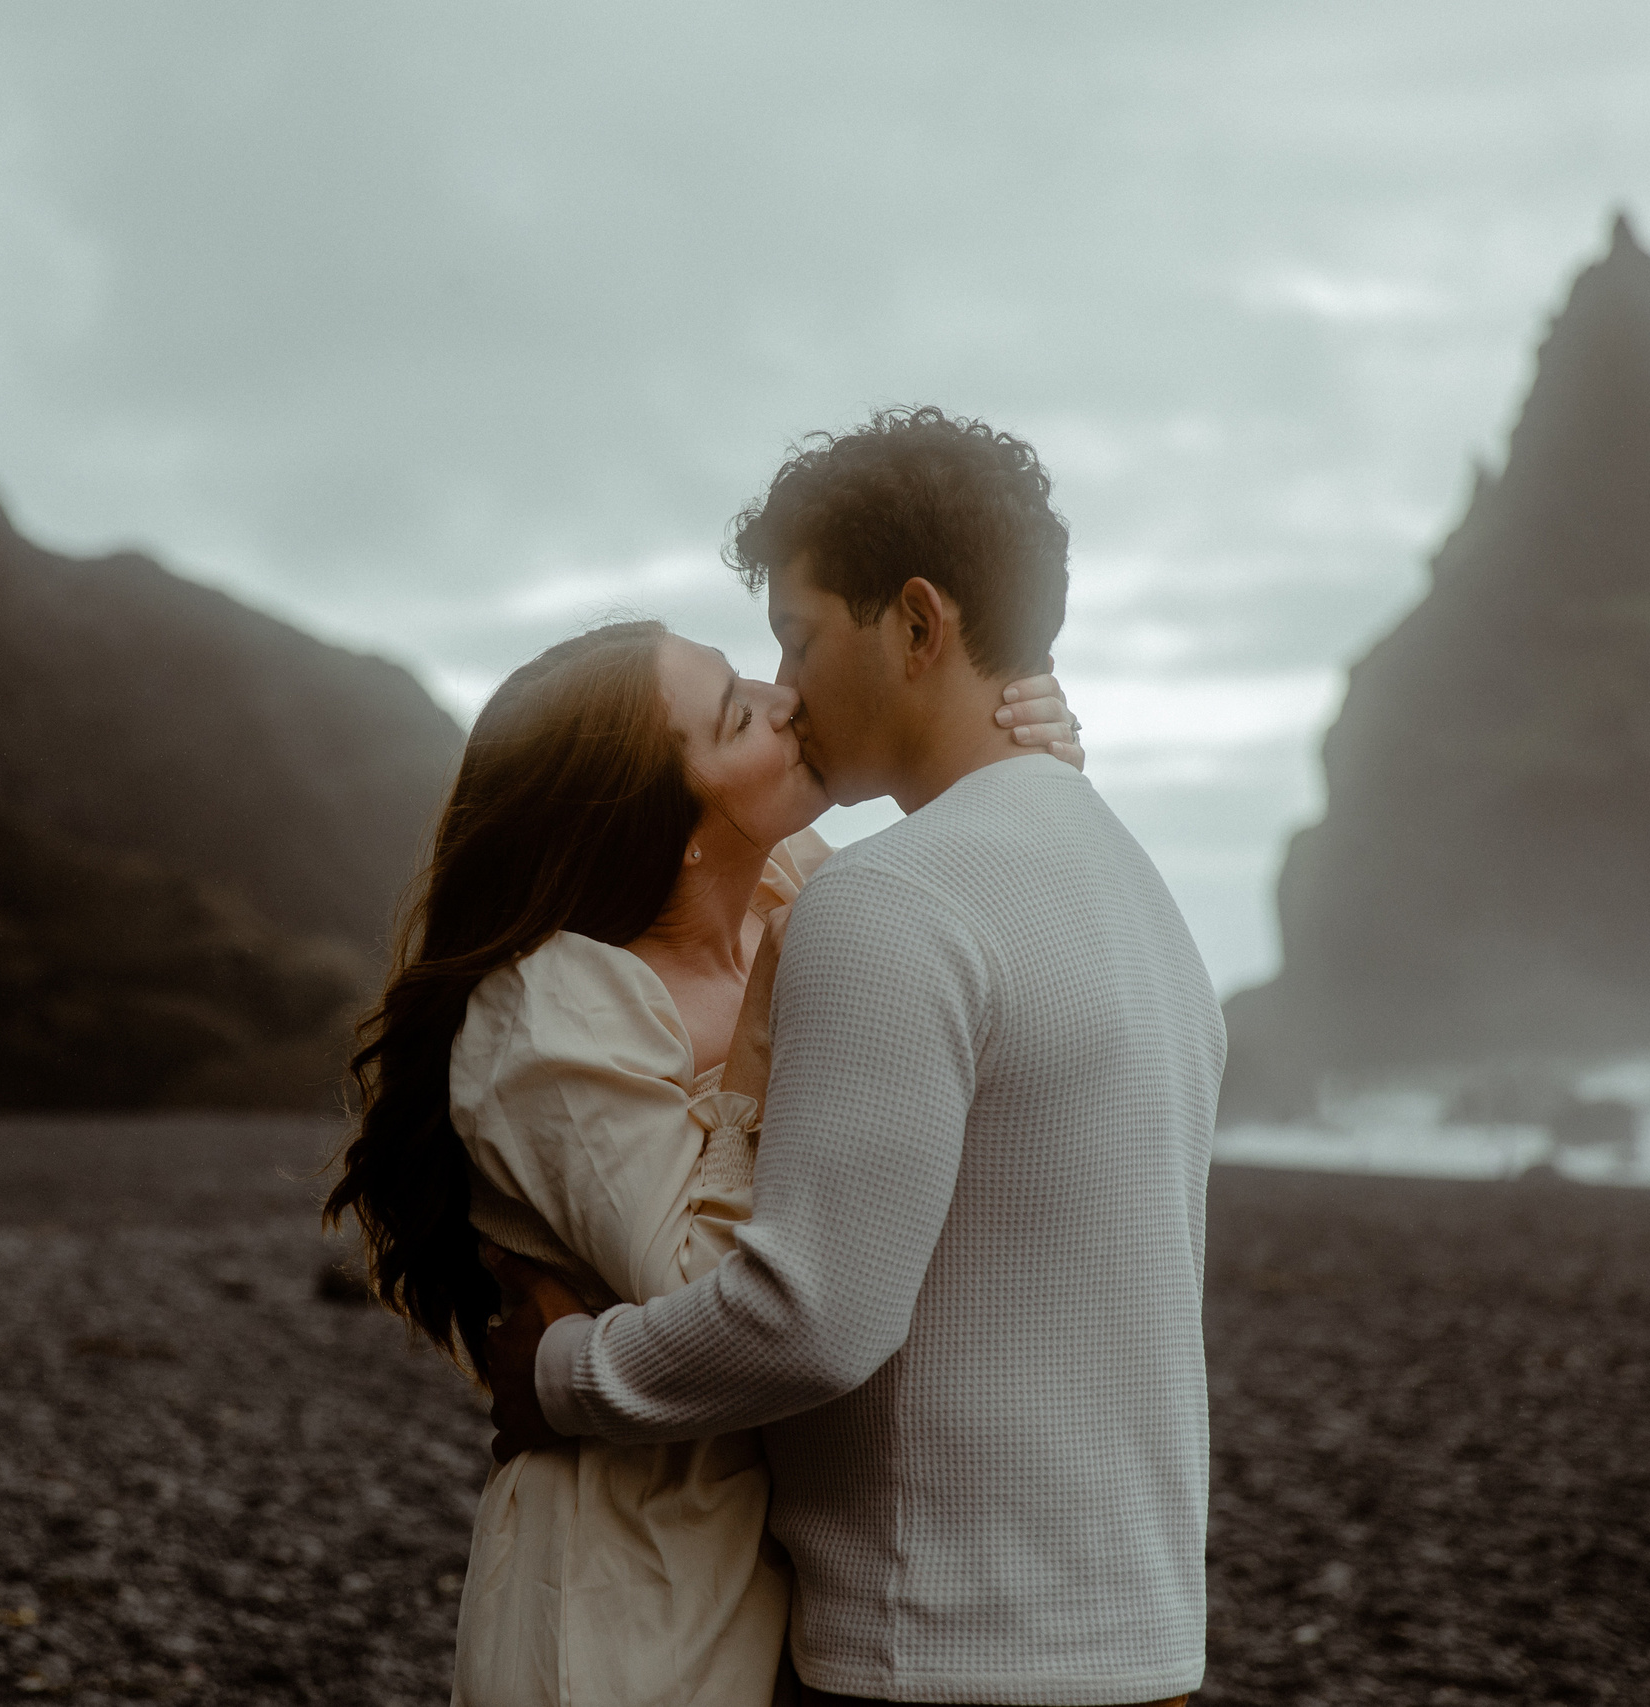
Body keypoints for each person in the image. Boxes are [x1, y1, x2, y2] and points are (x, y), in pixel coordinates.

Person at [484, 408, 1228, 1707]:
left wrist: (560, 1376)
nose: (788, 687)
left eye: (799, 634)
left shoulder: (890, 903)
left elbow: (812, 1317)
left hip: (940, 1655)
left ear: (920, 624)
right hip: (1140, 1643)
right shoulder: (1139, 893)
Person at [320, 600, 1083, 1703]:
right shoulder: (552, 1012)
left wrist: (1024, 765)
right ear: (665, 820)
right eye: (739, 716)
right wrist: (770, 1023)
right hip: (634, 1580)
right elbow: (712, 1290)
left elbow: (972, 936)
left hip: (811, 1556)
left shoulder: (795, 887)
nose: (788, 699)